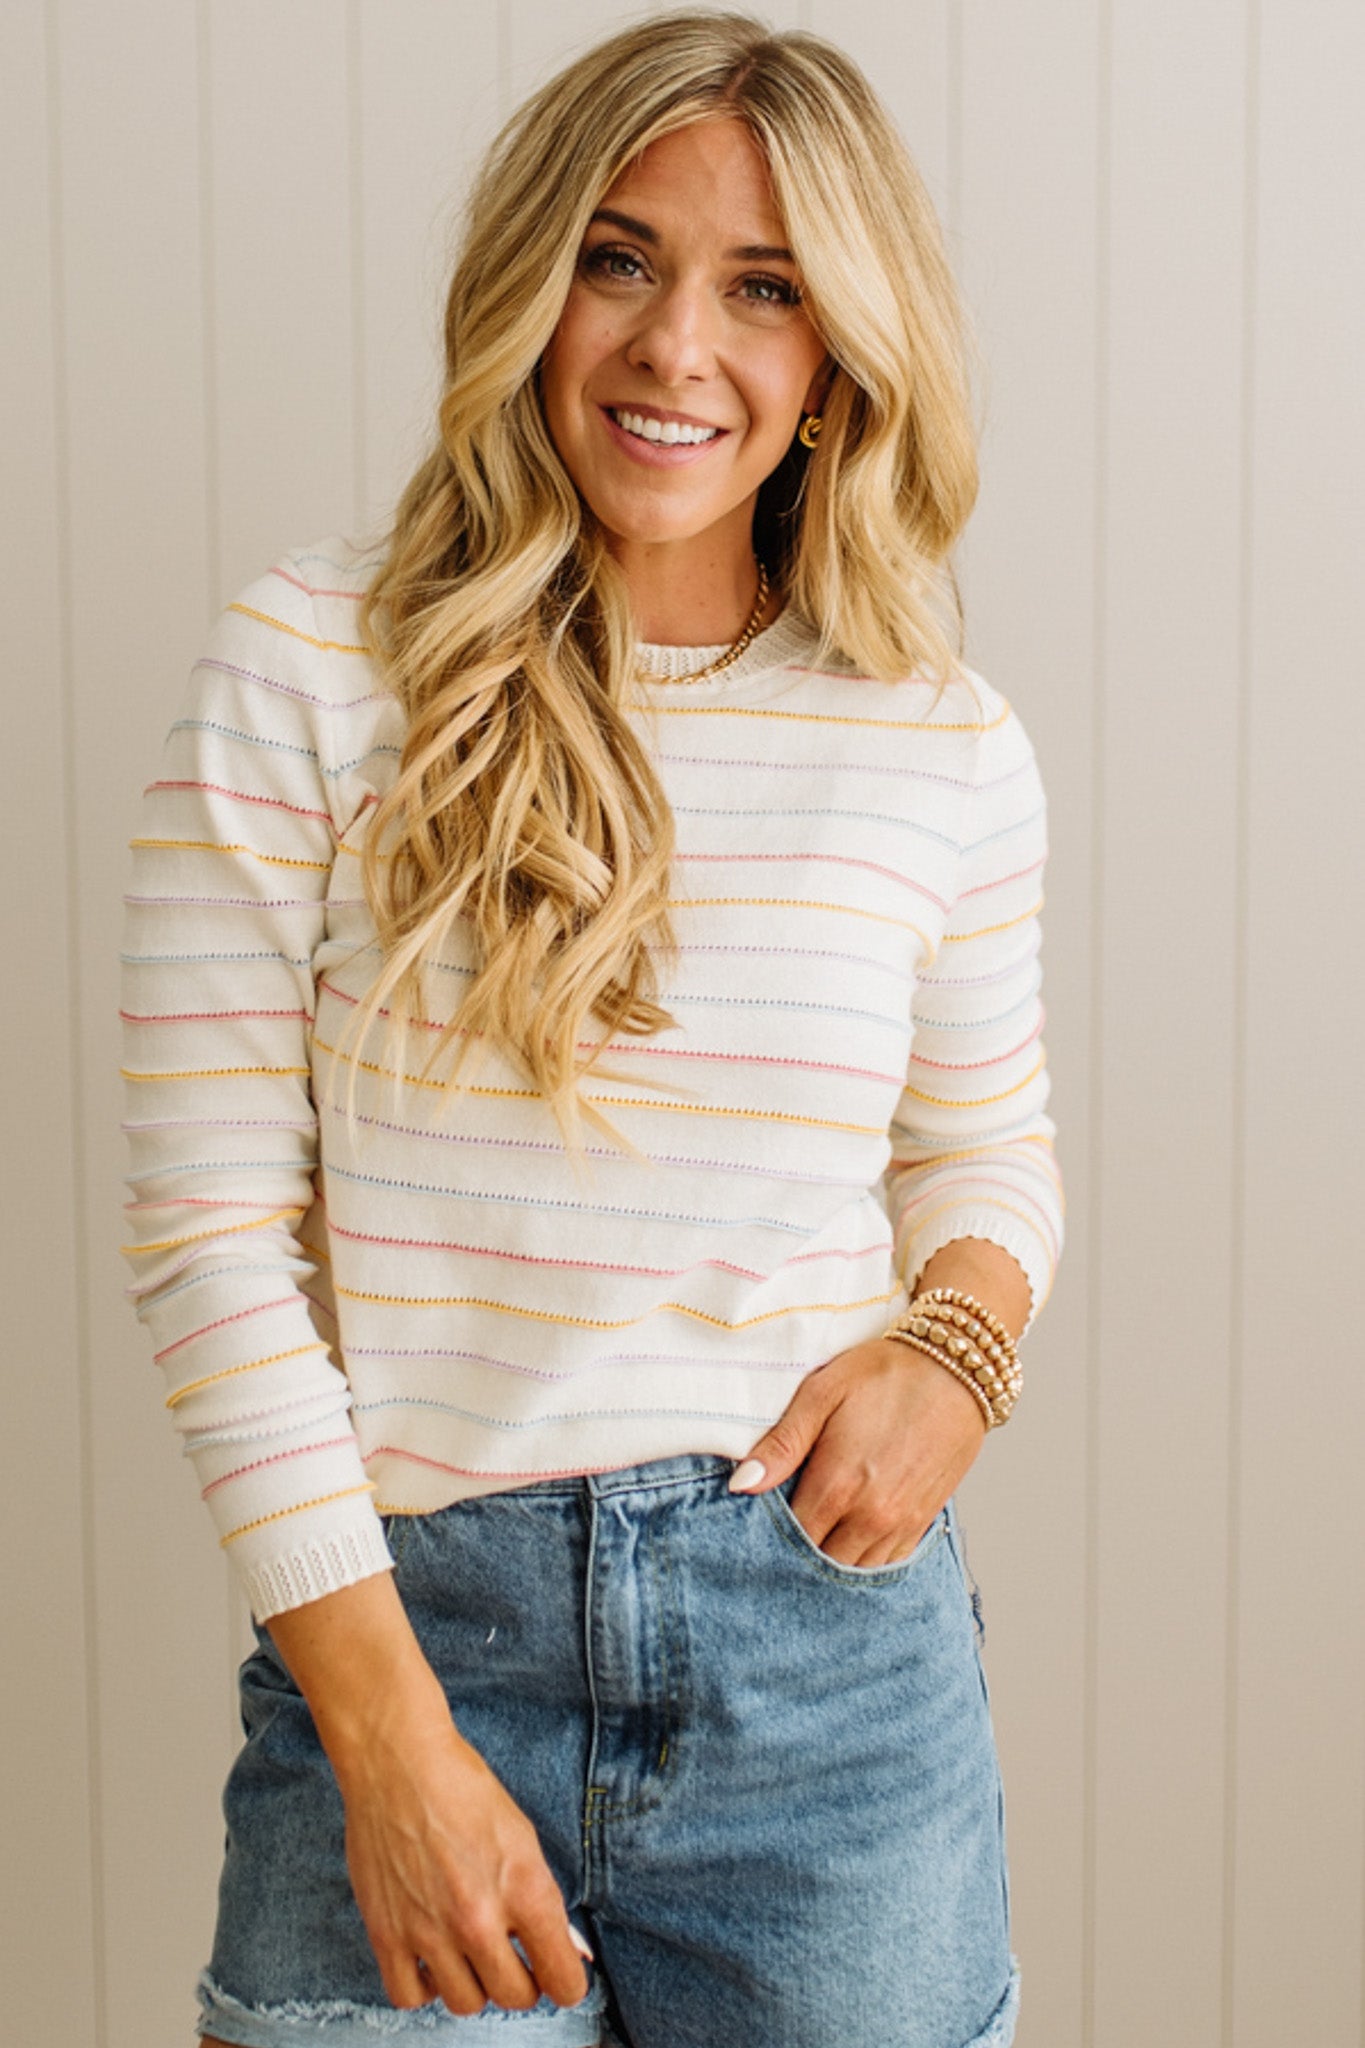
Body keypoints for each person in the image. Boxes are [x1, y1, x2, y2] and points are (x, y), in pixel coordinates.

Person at [121, 12, 1062, 2046]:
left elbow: (984, 1152)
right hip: (405, 1641)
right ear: (530, 278)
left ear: (835, 362)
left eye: (762, 287)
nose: (671, 348)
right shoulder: (309, 670)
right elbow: (207, 1241)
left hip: (825, 1682)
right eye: (618, 257)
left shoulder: (936, 744)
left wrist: (953, 1352)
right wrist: (385, 1744)